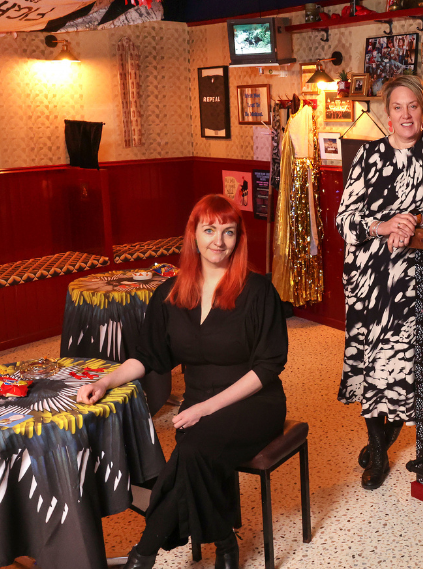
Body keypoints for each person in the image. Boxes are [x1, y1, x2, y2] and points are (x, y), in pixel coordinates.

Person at [77, 194, 288, 569]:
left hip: (255, 402)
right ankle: (224, 539)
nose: (218, 242)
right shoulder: (170, 294)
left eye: (228, 232)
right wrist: (106, 381)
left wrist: (204, 409)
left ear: (239, 238)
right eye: (209, 230)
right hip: (200, 402)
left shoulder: (258, 291)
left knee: (190, 451)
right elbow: (147, 355)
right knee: (196, 455)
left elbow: (267, 367)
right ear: (193, 235)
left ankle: (143, 555)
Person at [336, 74, 423, 490]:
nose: (406, 115)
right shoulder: (368, 155)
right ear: (386, 115)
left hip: (419, 275)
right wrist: (384, 224)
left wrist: (415, 221)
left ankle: (399, 434)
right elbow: (344, 219)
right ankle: (378, 447)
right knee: (374, 360)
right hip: (370, 276)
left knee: (411, 359)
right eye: (397, 107)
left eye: (413, 106)